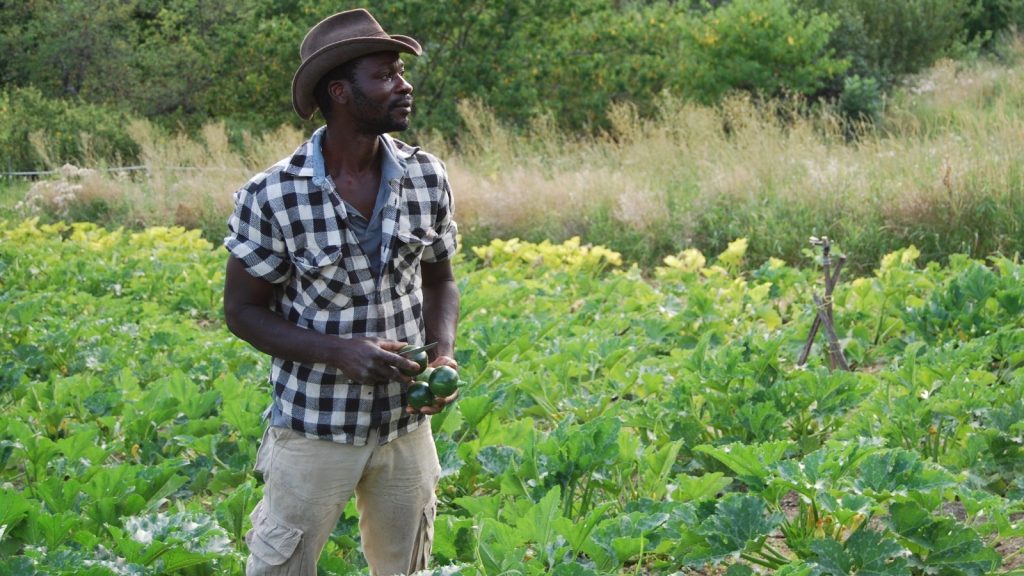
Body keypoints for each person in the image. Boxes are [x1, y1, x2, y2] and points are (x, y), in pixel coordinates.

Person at [222, 8, 460, 575]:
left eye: (401, 72)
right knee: (282, 567)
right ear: (341, 92)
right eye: (385, 75)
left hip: (406, 428)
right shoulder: (272, 194)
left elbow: (440, 279)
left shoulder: (427, 176)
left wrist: (442, 351)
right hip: (314, 427)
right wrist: (339, 352)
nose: (404, 86)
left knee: (406, 568)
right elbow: (242, 311)